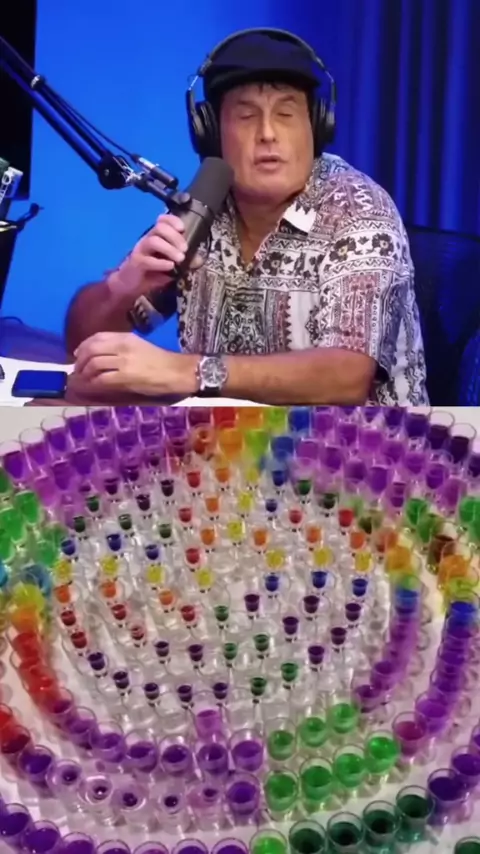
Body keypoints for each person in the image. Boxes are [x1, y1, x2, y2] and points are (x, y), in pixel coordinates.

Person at [66, 28, 429, 405]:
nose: (268, 133)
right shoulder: (203, 207)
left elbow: (346, 379)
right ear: (211, 134)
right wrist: (121, 288)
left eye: (286, 114)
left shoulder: (358, 209)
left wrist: (188, 371)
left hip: (361, 439)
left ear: (317, 127)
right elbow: (81, 347)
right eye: (245, 116)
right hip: (232, 437)